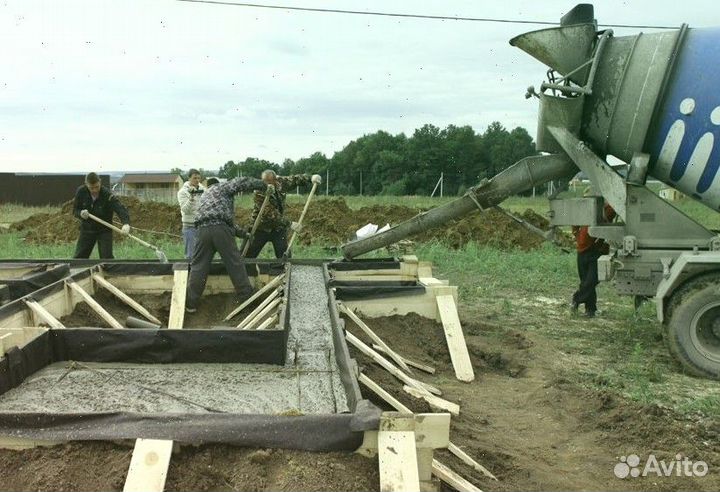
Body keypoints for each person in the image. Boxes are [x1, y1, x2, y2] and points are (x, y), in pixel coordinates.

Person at [186, 176, 266, 313]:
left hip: (202, 231)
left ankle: (190, 304)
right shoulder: (222, 187)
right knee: (235, 263)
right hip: (221, 229)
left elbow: (221, 219)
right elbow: (241, 182)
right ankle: (246, 299)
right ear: (219, 184)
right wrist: (262, 185)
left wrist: (243, 234)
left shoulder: (205, 195)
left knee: (198, 266)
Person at [245, 170, 322, 258]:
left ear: (275, 180)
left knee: (284, 256)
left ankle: (283, 269)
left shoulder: (281, 182)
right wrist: (290, 224)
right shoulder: (258, 191)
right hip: (260, 227)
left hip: (277, 228)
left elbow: (295, 179)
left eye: (269, 182)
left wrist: (311, 177)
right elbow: (269, 214)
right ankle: (246, 270)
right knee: (247, 255)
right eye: (264, 182)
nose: (266, 185)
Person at [571, 202, 616, 318]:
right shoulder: (582, 210)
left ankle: (577, 298)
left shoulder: (606, 210)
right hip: (582, 251)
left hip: (597, 251)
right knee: (586, 281)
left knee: (591, 281)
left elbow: (613, 208)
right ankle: (590, 309)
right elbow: (574, 224)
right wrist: (578, 236)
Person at [73, 172, 131, 259]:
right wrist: (81, 213)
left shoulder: (106, 194)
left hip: (104, 230)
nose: (95, 190)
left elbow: (119, 208)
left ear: (100, 182)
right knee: (80, 258)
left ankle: (107, 272)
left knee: (106, 258)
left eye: (97, 187)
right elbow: (75, 210)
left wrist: (126, 223)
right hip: (87, 229)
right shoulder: (81, 192)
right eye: (91, 188)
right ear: (86, 184)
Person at [177, 168, 204, 259]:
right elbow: (185, 210)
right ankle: (189, 272)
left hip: (201, 225)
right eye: (194, 178)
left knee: (202, 254)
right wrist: (191, 198)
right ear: (189, 178)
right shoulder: (182, 192)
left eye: (198, 178)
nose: (197, 180)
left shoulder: (203, 190)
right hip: (189, 227)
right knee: (191, 255)